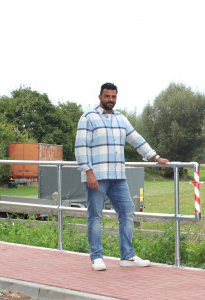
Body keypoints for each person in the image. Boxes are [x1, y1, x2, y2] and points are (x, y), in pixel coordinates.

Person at [75, 82, 170, 271]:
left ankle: (127, 256)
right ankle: (97, 257)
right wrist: (88, 172)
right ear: (100, 96)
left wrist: (155, 156)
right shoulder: (88, 118)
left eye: (113, 96)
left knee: (127, 212)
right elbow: (81, 147)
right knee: (95, 216)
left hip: (118, 177)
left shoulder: (121, 119)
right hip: (97, 176)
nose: (110, 99)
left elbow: (136, 139)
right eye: (107, 96)